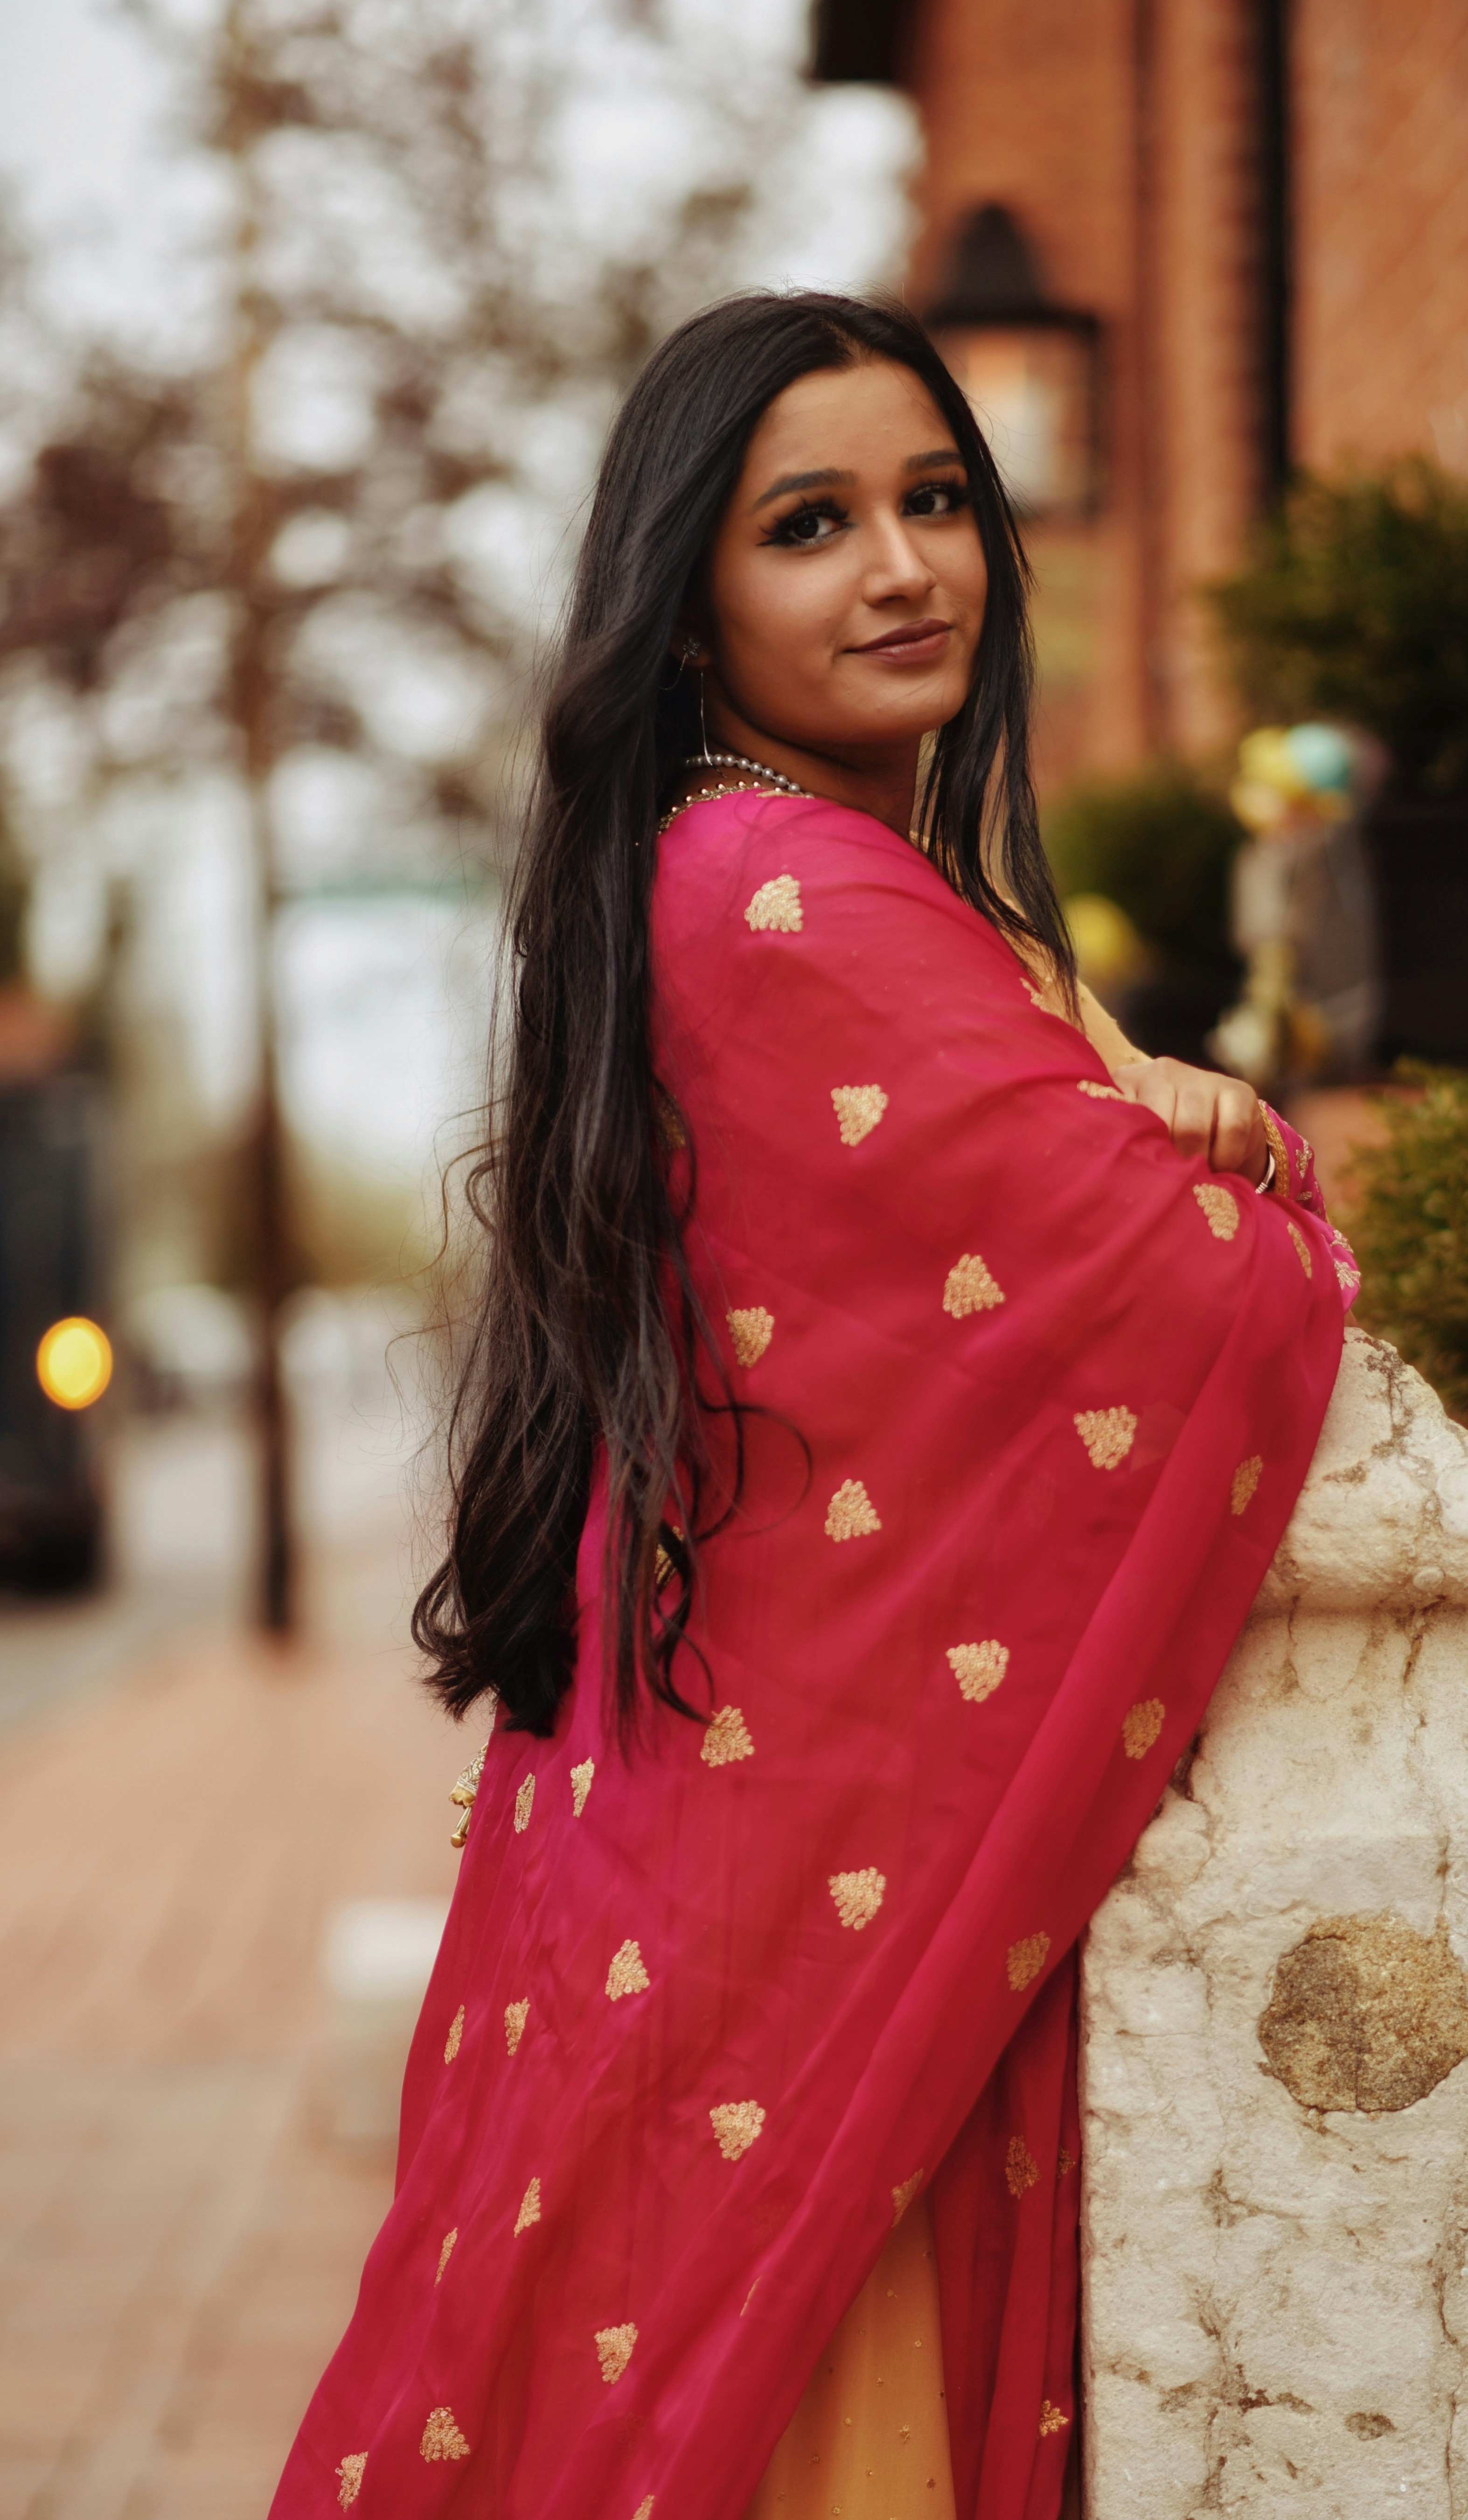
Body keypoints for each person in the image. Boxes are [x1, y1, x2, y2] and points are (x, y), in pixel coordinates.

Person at [270, 291, 1356, 2520]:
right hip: (792, 1915)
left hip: (721, 1881)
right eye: (813, 525)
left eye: (938, 500)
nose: (904, 567)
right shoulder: (779, 892)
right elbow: (1205, 1301)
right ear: (687, 615)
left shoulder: (793, 876)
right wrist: (1251, 1172)